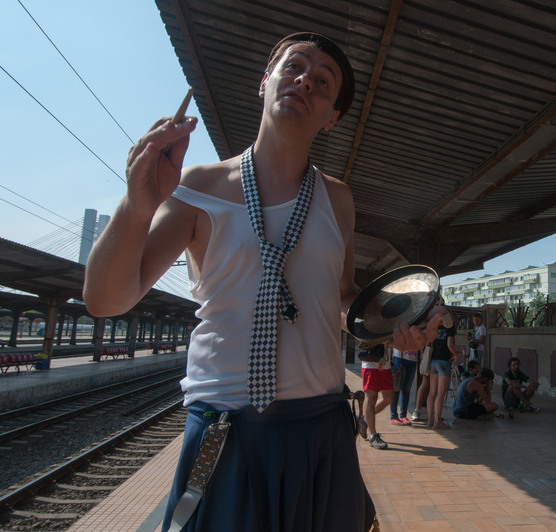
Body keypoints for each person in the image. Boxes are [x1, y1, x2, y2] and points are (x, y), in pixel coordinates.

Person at [82, 32, 443, 532]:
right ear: (265, 81)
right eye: (293, 67)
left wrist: (388, 326)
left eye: (323, 81)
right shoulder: (196, 187)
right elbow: (105, 300)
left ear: (332, 116)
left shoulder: (338, 199)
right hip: (226, 428)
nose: (305, 81)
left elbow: (341, 298)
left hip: (322, 423)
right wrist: (137, 203)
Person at [426, 300, 457, 429]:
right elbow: (449, 344)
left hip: (433, 360)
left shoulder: (433, 325)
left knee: (432, 392)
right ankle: (438, 421)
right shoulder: (449, 326)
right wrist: (455, 355)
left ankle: (430, 419)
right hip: (444, 360)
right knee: (440, 393)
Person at [361, 344, 393, 449]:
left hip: (385, 363)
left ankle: (364, 419)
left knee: (388, 398)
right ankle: (373, 436)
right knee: (372, 398)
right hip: (370, 363)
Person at [389, 347, 417, 426]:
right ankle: (393, 416)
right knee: (396, 388)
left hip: (413, 358)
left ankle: (403, 415)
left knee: (407, 389)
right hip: (399, 358)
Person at [411, 344, 431, 422]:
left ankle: (419, 410)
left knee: (429, 384)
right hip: (431, 355)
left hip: (431, 355)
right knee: (426, 383)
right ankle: (418, 410)